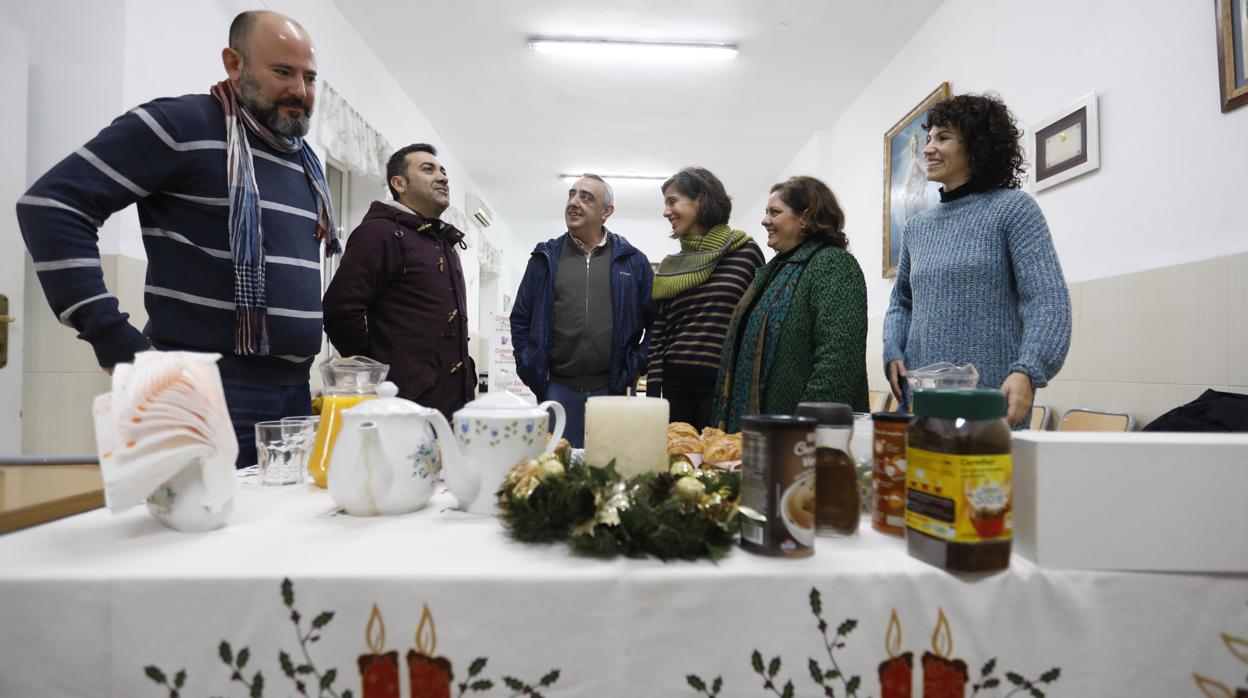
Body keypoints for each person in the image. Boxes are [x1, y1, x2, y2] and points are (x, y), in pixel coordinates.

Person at [15, 11, 336, 467]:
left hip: (293, 395)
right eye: (282, 72)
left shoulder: (305, 161)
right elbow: (51, 207)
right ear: (234, 63)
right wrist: (113, 339)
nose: (300, 92)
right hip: (199, 389)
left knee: (277, 535)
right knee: (187, 537)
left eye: (309, 78)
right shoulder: (180, 125)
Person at [883, 93, 1072, 427]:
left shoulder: (1014, 209)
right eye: (928, 138)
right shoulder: (916, 228)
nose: (928, 148)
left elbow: (1047, 301)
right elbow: (902, 303)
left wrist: (1028, 371)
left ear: (977, 146)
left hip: (991, 405)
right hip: (921, 405)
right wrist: (892, 350)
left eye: (943, 138)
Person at [323, 144, 474, 418]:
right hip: (402, 403)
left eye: (443, 170)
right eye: (428, 170)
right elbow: (340, 310)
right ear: (399, 183)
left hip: (451, 404)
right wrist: (377, 372)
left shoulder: (445, 244)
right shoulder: (379, 233)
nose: (443, 177)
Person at [711, 176, 869, 432]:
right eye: (766, 212)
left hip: (802, 437)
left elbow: (838, 360)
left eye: (775, 212)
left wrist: (804, 428)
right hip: (765, 432)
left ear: (805, 217)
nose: (764, 221)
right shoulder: (772, 272)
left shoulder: (832, 265)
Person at [510, 174, 654, 448]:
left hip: (613, 390)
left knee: (611, 472)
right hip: (556, 389)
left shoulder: (633, 261)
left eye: (586, 197)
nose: (574, 202)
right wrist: (528, 364)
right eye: (571, 194)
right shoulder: (545, 258)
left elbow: (656, 322)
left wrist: (635, 364)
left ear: (606, 211)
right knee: (557, 471)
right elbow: (520, 318)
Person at [646, 167, 764, 429]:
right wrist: (653, 391)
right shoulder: (670, 267)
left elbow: (756, 325)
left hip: (724, 384)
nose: (666, 212)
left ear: (699, 200)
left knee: (719, 460)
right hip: (675, 386)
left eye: (672, 201)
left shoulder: (746, 253)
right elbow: (660, 332)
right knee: (679, 461)